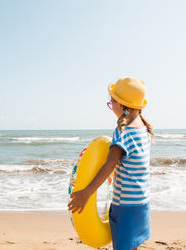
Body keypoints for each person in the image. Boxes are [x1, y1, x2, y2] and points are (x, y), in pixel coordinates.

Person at [68, 77, 154, 250]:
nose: (110, 104)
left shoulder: (123, 132)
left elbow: (108, 165)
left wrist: (87, 193)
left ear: (122, 106)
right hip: (142, 202)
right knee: (133, 245)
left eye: (111, 101)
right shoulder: (144, 129)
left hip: (125, 207)